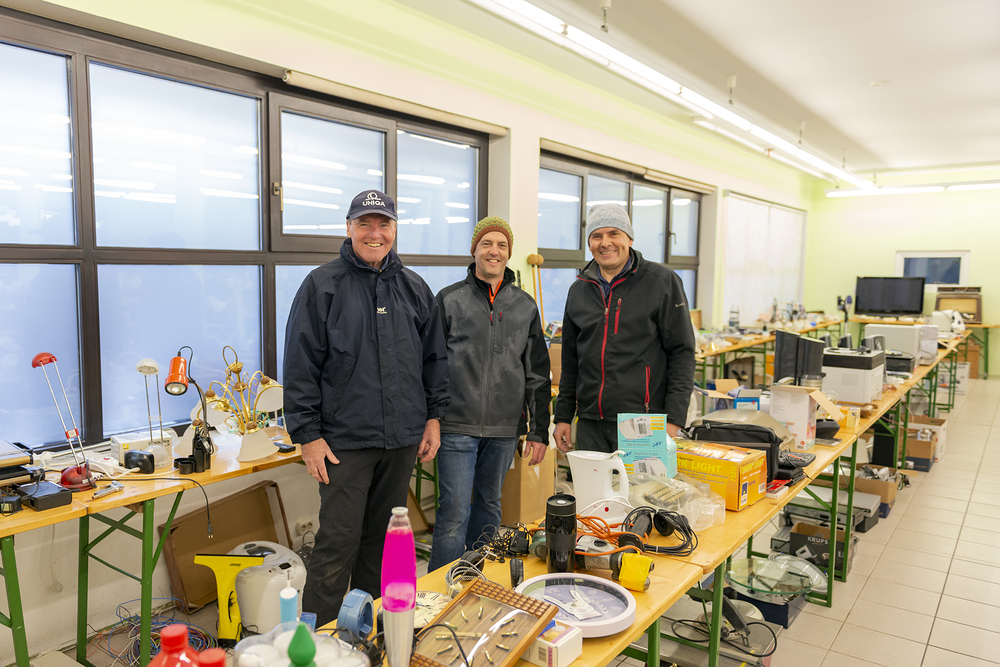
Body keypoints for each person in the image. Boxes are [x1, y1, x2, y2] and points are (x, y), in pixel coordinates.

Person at [282, 188, 450, 626]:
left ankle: (369, 634)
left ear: (394, 229)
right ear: (349, 227)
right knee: (337, 545)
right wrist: (307, 435)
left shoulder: (414, 288)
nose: (375, 233)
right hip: (344, 443)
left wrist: (433, 418)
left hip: (401, 440)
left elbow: (434, 361)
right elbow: (300, 364)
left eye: (383, 224)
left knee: (382, 545)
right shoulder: (322, 286)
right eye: (364, 224)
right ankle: (315, 644)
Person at [428, 217, 551, 572]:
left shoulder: (525, 306)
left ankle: (474, 577)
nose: (493, 251)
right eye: (486, 243)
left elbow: (537, 373)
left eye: (501, 245)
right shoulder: (449, 299)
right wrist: (430, 418)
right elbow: (431, 364)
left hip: (504, 428)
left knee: (489, 505)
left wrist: (539, 431)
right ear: (474, 250)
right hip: (455, 425)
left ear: (508, 253)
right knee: (453, 511)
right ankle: (441, 588)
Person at [553, 203, 695, 452]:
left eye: (613, 233)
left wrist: (674, 418)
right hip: (590, 423)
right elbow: (571, 360)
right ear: (589, 244)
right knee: (592, 480)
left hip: (644, 421)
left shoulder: (661, 282)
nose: (605, 243)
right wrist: (563, 416)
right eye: (597, 236)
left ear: (629, 238)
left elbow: (682, 352)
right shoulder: (579, 290)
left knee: (643, 481)